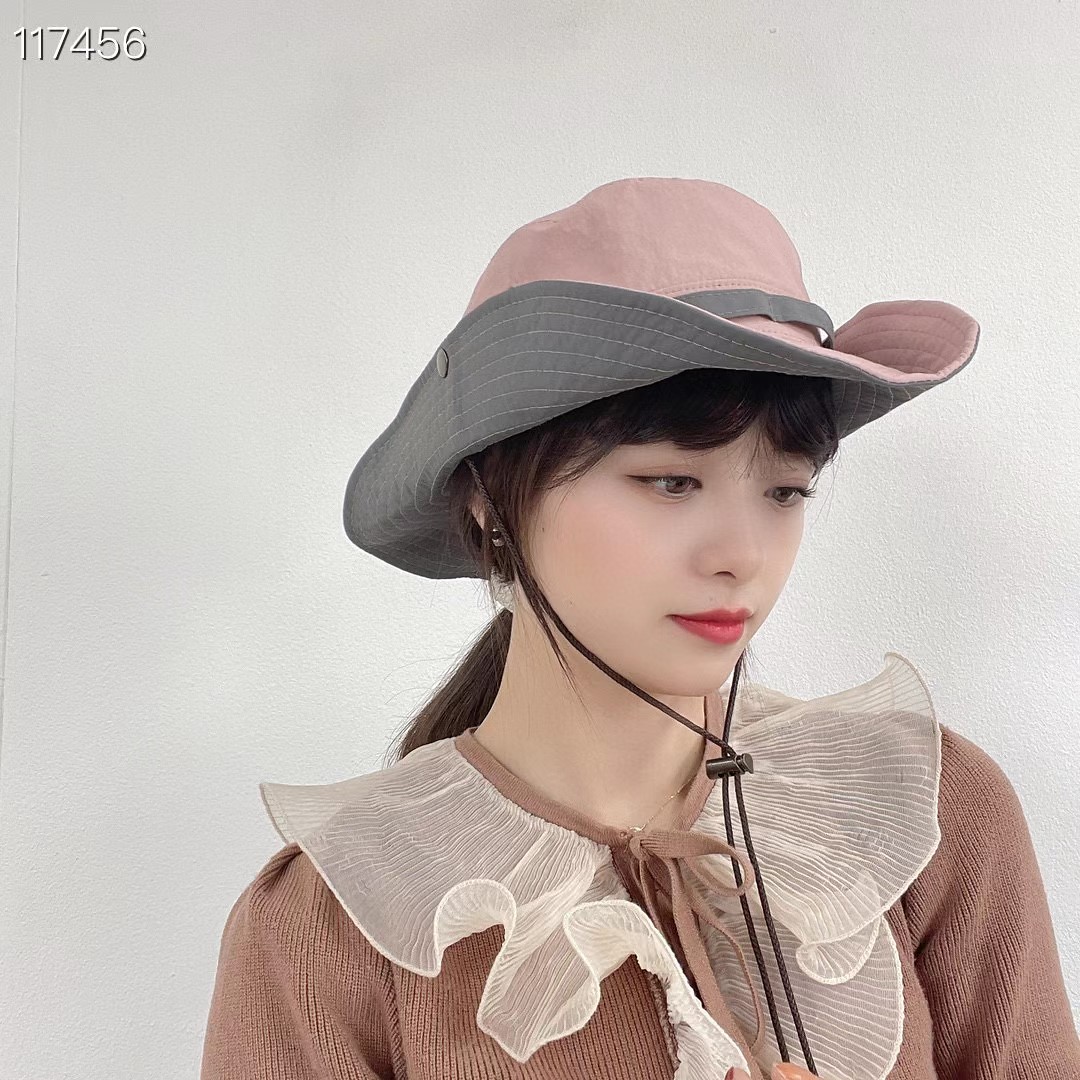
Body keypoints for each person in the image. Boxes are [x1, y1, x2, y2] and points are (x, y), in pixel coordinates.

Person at [200, 177, 1079, 1079]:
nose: (742, 555)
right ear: (489, 502)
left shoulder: (919, 813)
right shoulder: (329, 928)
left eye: (785, 491)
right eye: (671, 482)